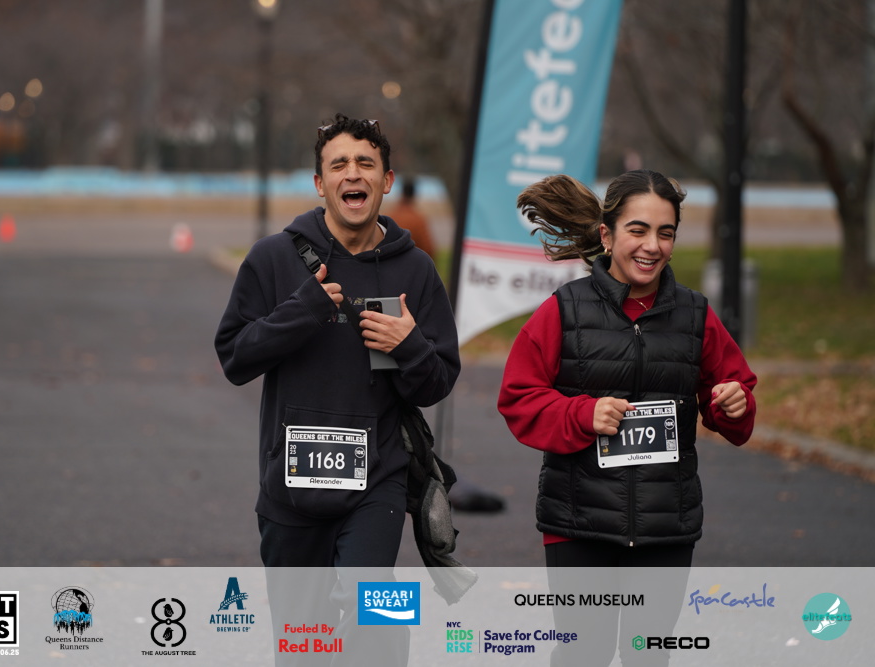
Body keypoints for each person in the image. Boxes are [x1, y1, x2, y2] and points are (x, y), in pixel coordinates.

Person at [215, 113, 460, 666]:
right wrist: (301, 310)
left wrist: (409, 346)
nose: (353, 173)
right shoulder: (273, 258)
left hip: (378, 481)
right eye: (339, 164)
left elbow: (438, 382)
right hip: (289, 486)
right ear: (319, 182)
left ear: (386, 180)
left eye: (366, 163)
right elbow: (235, 358)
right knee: (303, 645)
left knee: (374, 612)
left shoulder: (416, 270)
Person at [497, 170, 757, 666]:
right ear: (607, 234)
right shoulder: (563, 311)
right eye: (638, 230)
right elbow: (518, 397)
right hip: (579, 523)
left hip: (665, 524)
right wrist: (582, 413)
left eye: (665, 232)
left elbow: (734, 398)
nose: (652, 246)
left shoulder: (696, 315)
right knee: (584, 655)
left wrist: (734, 404)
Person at [386, 177, 436, 259]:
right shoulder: (418, 220)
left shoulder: (389, 216)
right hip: (412, 263)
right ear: (413, 195)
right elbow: (428, 249)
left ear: (402, 194)